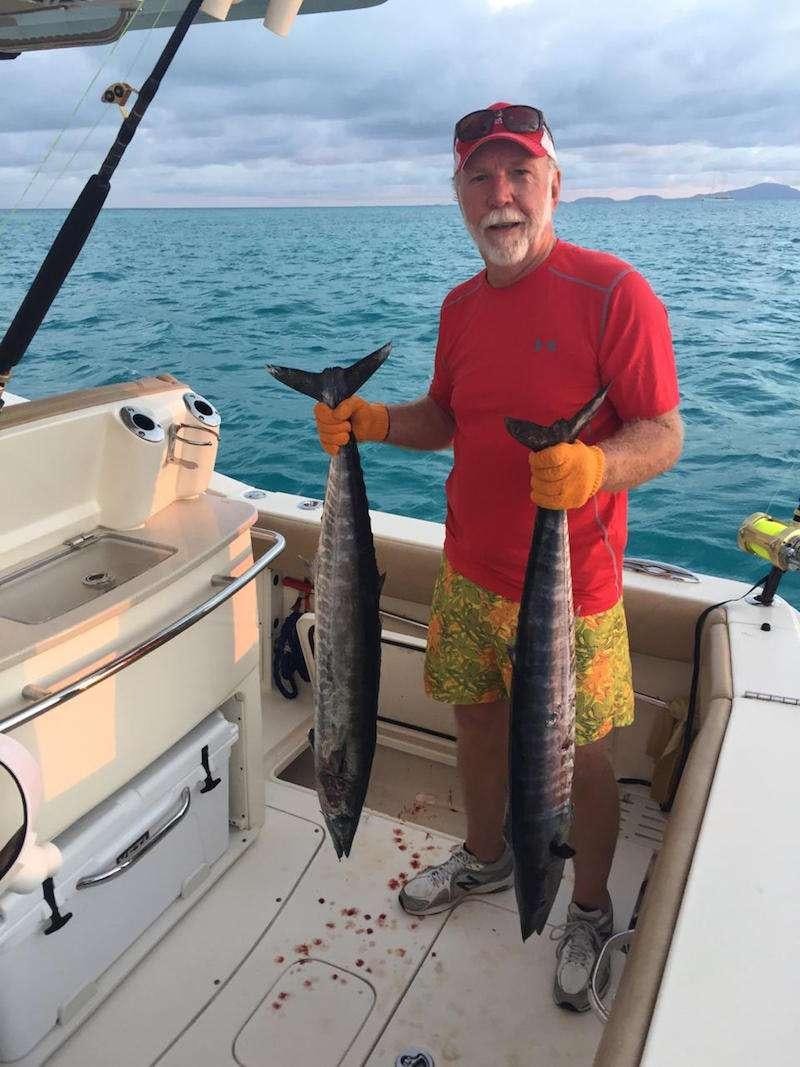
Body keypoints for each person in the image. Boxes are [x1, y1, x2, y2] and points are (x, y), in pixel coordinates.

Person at [312, 102, 683, 1012]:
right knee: (475, 724)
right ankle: (486, 858)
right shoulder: (461, 306)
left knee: (580, 760)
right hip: (470, 572)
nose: (500, 195)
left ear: (555, 184)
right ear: (458, 194)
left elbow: (662, 432)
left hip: (574, 591)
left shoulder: (615, 292)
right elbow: (449, 416)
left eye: (519, 174)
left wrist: (596, 466)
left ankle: (587, 908)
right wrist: (374, 421)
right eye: (480, 177)